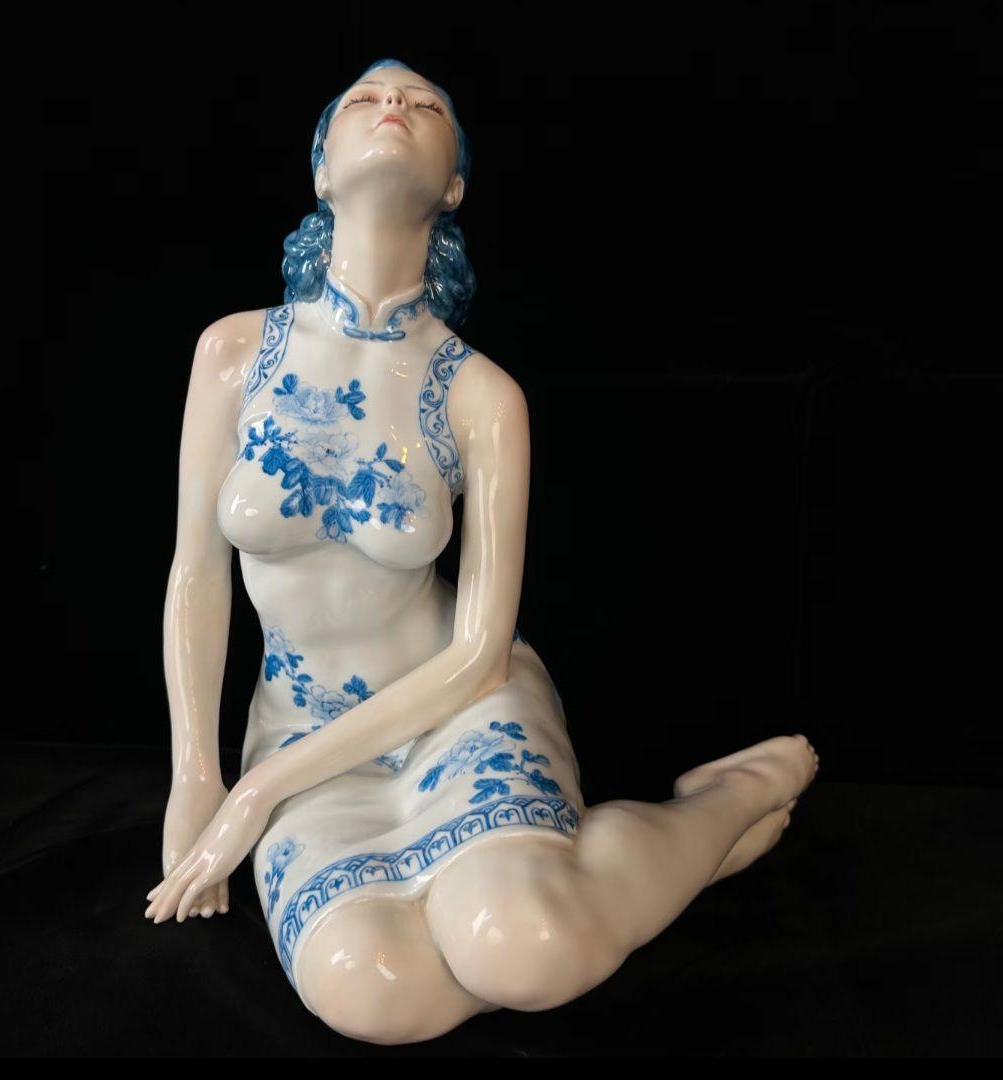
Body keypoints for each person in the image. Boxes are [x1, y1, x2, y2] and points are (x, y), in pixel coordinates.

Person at [146, 58, 820, 1046]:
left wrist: (253, 798)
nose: (392, 102)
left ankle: (719, 807)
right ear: (321, 170)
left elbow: (478, 651)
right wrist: (197, 774)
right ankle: (615, 886)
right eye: (364, 98)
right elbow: (195, 574)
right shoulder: (234, 353)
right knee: (374, 996)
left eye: (424, 103)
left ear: (454, 183)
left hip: (461, 708)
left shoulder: (481, 394)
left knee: (524, 945)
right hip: (302, 734)